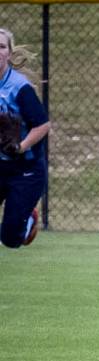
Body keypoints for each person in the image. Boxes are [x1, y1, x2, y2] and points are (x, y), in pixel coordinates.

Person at [0, 28, 49, 249]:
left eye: (2, 47)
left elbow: (43, 125)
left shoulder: (19, 87)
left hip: (25, 170)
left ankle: (29, 217)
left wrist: (21, 146)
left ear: (9, 54)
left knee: (11, 239)